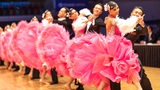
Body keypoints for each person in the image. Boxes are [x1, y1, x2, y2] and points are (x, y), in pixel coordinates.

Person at [103, 1, 143, 90]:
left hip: (116, 45)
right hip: (114, 46)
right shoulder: (111, 19)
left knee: (112, 70)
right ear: (109, 11)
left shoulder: (113, 18)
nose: (117, 10)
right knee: (124, 67)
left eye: (117, 8)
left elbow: (124, 27)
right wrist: (136, 20)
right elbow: (125, 25)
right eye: (114, 9)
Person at [125, 6, 153, 90]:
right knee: (112, 75)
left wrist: (142, 23)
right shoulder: (124, 23)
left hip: (129, 54)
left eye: (139, 13)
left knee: (140, 73)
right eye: (135, 12)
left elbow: (144, 32)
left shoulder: (139, 27)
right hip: (117, 53)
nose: (137, 14)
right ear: (131, 13)